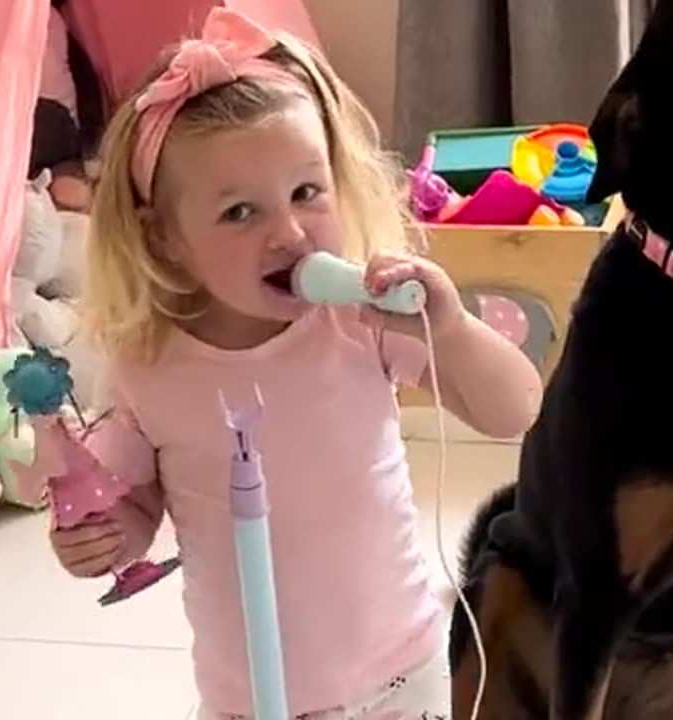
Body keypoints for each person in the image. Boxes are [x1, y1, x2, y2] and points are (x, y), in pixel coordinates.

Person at [42, 8, 541, 719]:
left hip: (401, 672)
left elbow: (514, 409)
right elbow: (138, 504)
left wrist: (451, 328)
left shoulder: (361, 320)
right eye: (240, 213)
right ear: (167, 239)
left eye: (307, 193)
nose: (288, 232)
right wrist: (106, 536)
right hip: (247, 697)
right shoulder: (150, 364)